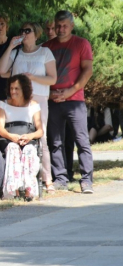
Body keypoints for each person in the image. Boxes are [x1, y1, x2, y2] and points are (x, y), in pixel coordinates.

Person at [0, 22, 57, 192]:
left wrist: (33, 78)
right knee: (16, 137)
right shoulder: (16, 53)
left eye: (28, 31)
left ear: (36, 34)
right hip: (17, 101)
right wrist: (10, 46)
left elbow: (52, 79)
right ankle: (17, 180)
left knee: (41, 137)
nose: (24, 33)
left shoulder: (45, 52)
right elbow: (1, 70)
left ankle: (47, 179)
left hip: (38, 99)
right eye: (22, 30)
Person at [43, 10, 94, 193]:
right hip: (52, 99)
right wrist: (49, 94)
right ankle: (60, 178)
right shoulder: (46, 46)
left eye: (65, 26)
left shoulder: (81, 44)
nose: (61, 29)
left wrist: (71, 91)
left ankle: (87, 180)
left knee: (82, 140)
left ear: (72, 26)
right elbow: (41, 75)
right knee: (55, 141)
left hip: (75, 100)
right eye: (58, 26)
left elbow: (87, 70)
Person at [0, 75, 43, 201]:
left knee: (29, 151)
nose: (13, 91)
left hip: (27, 138)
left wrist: (30, 136)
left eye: (17, 88)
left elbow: (40, 131)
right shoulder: (3, 104)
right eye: (11, 88)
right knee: (13, 148)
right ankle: (13, 190)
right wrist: (11, 137)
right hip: (9, 138)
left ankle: (29, 190)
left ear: (24, 89)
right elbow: (0, 128)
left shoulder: (34, 105)